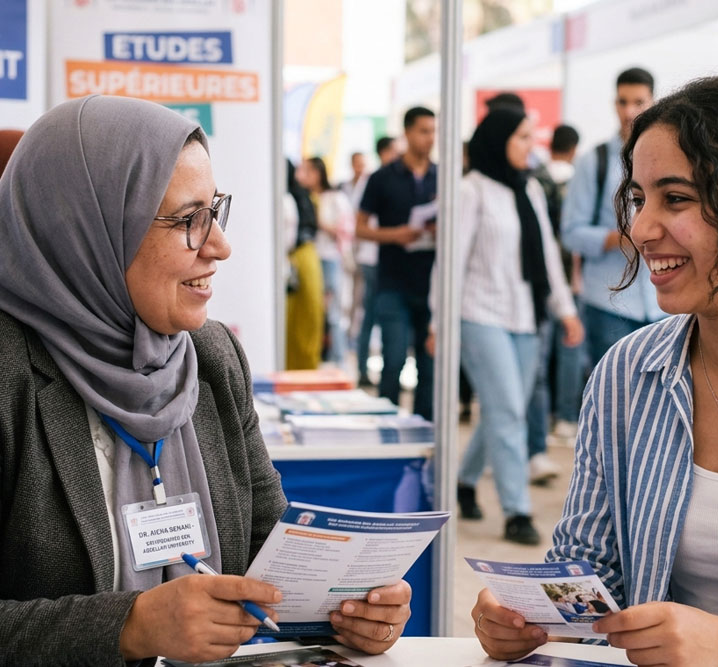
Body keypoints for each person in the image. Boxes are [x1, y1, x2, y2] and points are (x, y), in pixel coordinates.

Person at [471, 73, 718, 666]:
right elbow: (591, 572)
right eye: (639, 199)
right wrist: (531, 617)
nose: (640, 230)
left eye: (678, 198)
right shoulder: (626, 374)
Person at [0, 95, 411, 665]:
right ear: (87, 227)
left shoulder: (210, 356)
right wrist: (127, 627)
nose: (219, 245)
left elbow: (270, 550)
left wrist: (348, 608)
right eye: (188, 220)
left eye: (215, 210)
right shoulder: (9, 371)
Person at [435, 108, 583, 545]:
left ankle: (464, 480)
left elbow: (548, 256)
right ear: (498, 140)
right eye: (520, 137)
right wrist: (438, 321)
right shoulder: (470, 190)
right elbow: (451, 263)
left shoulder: (530, 189)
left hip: (525, 315)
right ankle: (517, 510)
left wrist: (565, 309)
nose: (529, 146)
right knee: (508, 411)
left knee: (507, 408)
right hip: (479, 314)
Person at [561, 67, 665, 441]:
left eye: (638, 102)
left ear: (653, 101)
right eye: (623, 102)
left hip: (661, 301)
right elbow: (571, 233)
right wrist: (619, 238)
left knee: (660, 407)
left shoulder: (669, 158)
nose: (629, 111)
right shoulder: (595, 161)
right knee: (615, 405)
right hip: (609, 301)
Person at [357, 108, 437, 421]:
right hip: (393, 283)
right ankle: (386, 428)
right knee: (393, 360)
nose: (429, 138)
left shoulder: (442, 176)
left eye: (433, 131)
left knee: (429, 367)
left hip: (432, 285)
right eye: (423, 131)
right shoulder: (382, 178)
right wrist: (395, 235)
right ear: (407, 133)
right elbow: (361, 228)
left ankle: (424, 433)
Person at [526, 124, 582, 485]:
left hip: (539, 283)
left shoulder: (537, 179)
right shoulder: (575, 178)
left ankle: (539, 437)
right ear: (573, 149)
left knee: (537, 367)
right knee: (569, 353)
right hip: (566, 279)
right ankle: (564, 417)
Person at [350, 138, 400, 387]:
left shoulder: (392, 179)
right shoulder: (376, 180)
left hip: (384, 259)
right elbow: (359, 222)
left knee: (377, 316)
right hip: (372, 259)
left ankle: (369, 368)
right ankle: (362, 368)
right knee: (369, 315)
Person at [298, 156, 354, 366]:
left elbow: (346, 230)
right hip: (310, 258)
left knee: (334, 312)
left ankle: (339, 359)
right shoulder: (302, 197)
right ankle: (318, 357)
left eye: (308, 171)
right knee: (313, 312)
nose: (304, 175)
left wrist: (319, 223)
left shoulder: (335, 197)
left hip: (329, 258)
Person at [284, 159, 325, 370]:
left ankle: (303, 368)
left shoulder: (293, 197)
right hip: (304, 260)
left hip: (298, 260)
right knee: (300, 318)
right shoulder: (300, 196)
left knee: (305, 317)